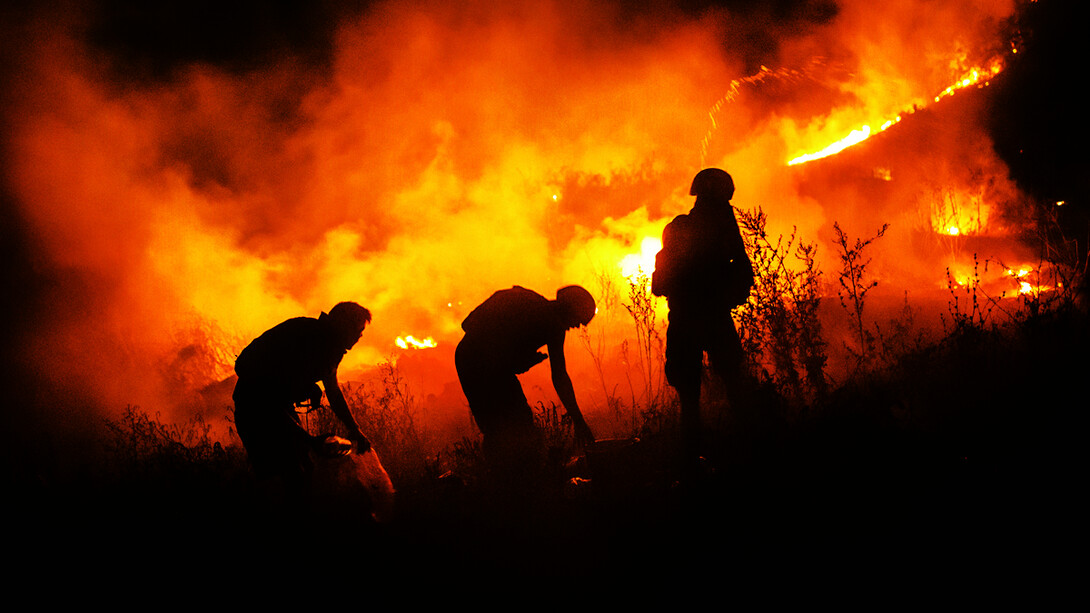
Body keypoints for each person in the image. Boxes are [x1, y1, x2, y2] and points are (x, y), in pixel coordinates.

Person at [652, 168, 753, 473]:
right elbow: (743, 273)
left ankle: (694, 461)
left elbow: (659, 285)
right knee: (730, 386)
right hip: (709, 317)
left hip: (688, 320)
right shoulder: (719, 232)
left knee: (691, 396)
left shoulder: (681, 229)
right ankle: (744, 451)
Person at [232, 301, 373, 496]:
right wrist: (309, 439)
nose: (359, 337)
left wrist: (354, 429)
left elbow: (332, 390)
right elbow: (267, 398)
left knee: (302, 468)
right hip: (255, 409)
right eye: (358, 330)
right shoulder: (308, 338)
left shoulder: (328, 346)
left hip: (273, 408)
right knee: (287, 475)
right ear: (344, 325)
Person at [455, 285, 596, 469]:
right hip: (478, 364)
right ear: (568, 308)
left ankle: (506, 476)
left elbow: (467, 324)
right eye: (579, 320)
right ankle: (514, 477)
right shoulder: (541, 316)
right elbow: (559, 375)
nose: (577, 326)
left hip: (476, 361)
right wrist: (514, 359)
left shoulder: (543, 316)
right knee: (510, 430)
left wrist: (515, 359)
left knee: (506, 429)